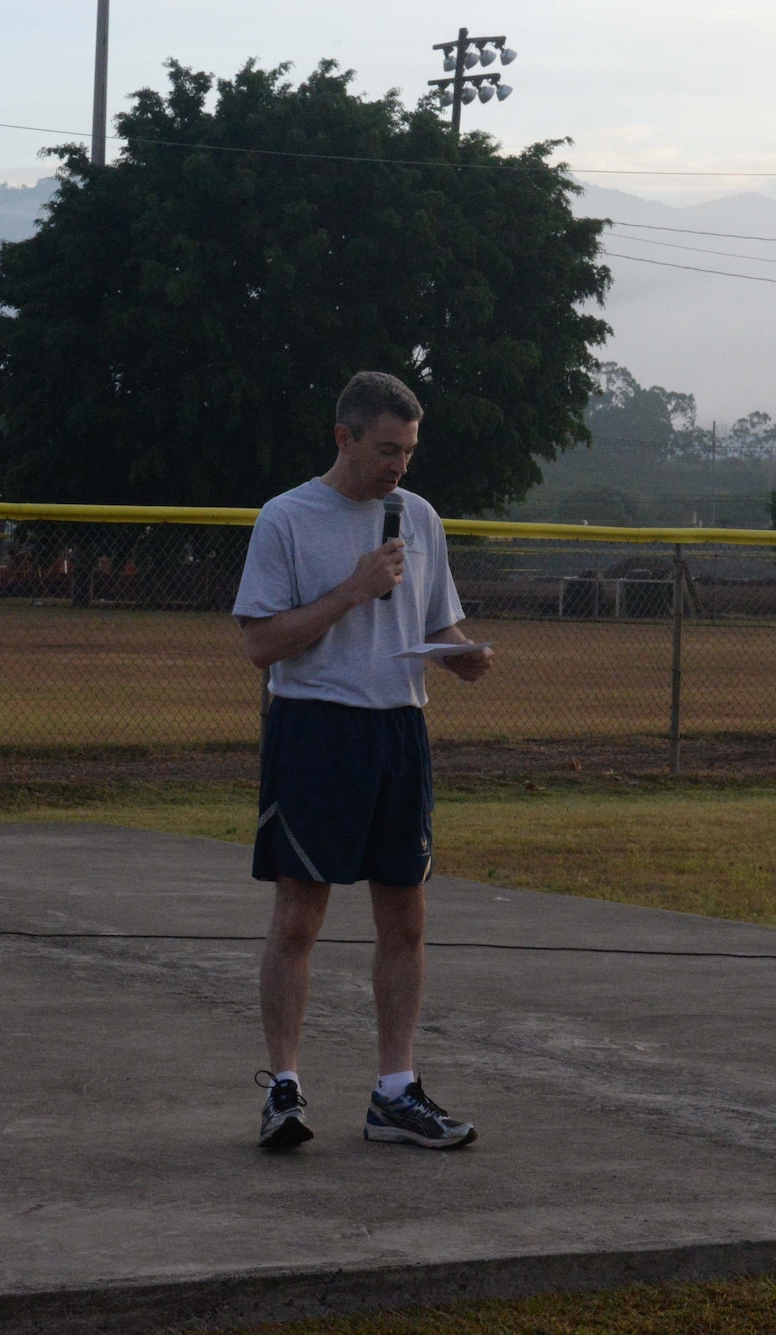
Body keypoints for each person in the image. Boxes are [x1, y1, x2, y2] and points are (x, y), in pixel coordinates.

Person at [234, 371, 494, 1152]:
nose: (399, 468)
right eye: (386, 449)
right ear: (343, 437)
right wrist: (351, 589)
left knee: (405, 918)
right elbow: (261, 644)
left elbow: (438, 623)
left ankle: (394, 1092)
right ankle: (283, 1088)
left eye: (409, 451)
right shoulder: (287, 517)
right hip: (315, 730)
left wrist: (462, 656)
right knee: (300, 916)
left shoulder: (419, 518)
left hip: (398, 733)